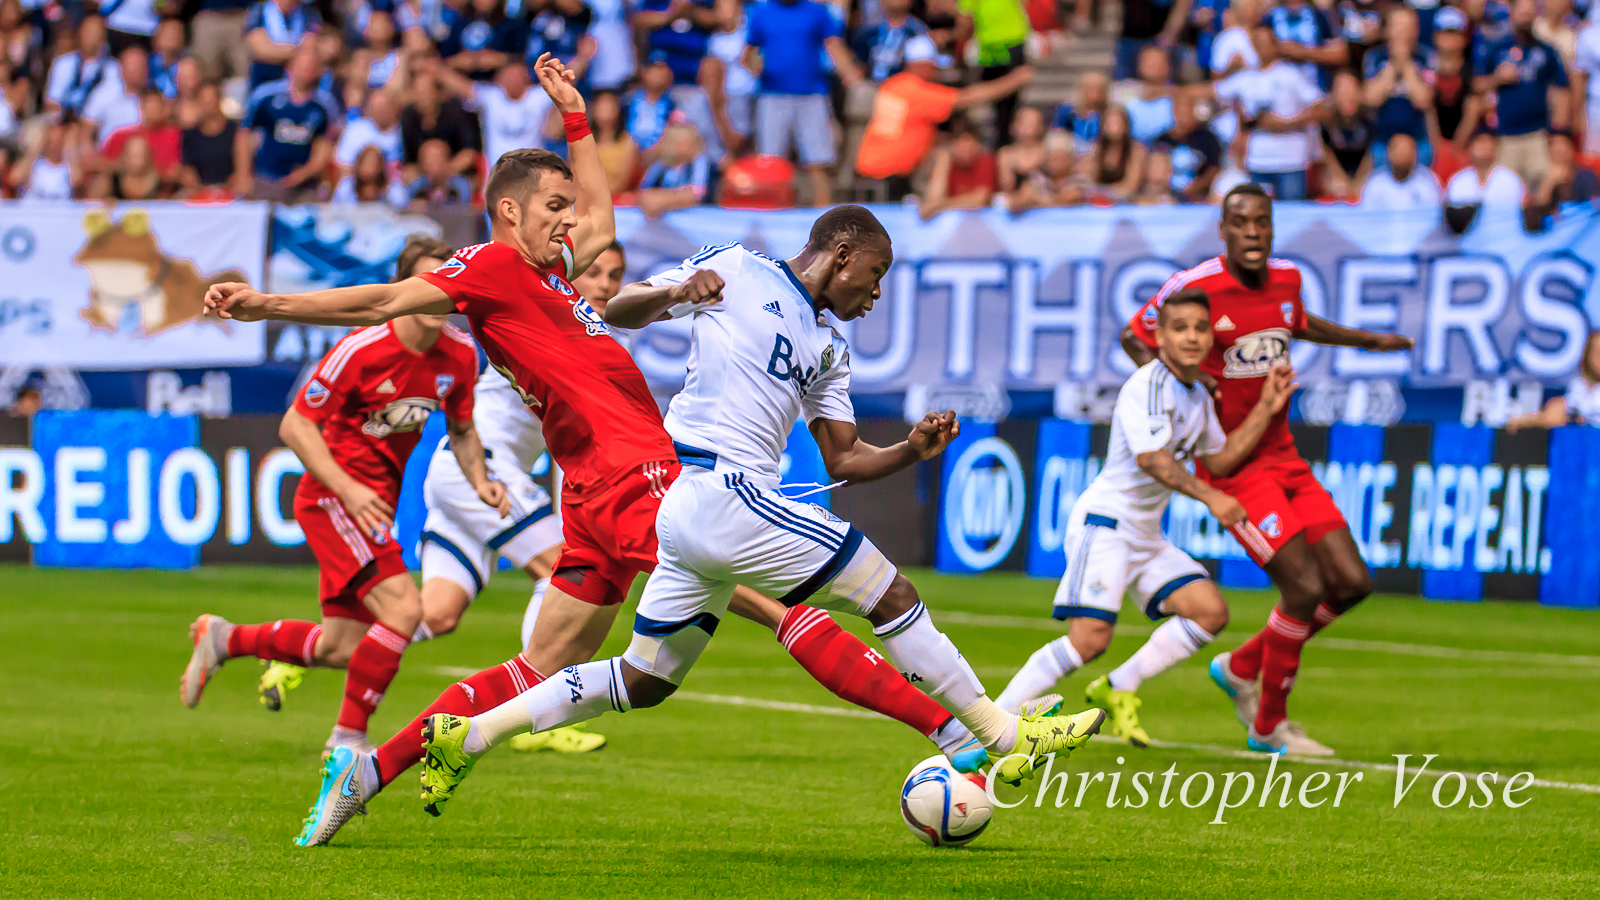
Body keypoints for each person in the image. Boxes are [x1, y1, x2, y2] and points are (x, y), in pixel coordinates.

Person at [207, 57, 988, 847]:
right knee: (776, 603)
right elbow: (383, 300)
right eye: (554, 208)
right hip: (633, 481)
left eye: (570, 210)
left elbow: (604, 220)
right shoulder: (491, 268)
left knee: (541, 669)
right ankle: (963, 737)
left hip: (594, 492)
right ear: (508, 212)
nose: (570, 223)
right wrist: (266, 303)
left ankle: (369, 771)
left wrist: (578, 122)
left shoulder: (560, 284)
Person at [414, 204, 1108, 816]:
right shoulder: (738, 268)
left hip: (699, 514)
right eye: (875, 271)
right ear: (841, 253)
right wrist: (679, 293)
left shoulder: (830, 348)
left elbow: (843, 461)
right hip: (715, 486)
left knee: (644, 678)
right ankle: (998, 733)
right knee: (887, 590)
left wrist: (911, 450)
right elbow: (612, 310)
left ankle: (471, 734)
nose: (875, 291)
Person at [1121, 184, 1413, 755]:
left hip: (1284, 456)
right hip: (1232, 466)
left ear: (1272, 228)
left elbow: (1298, 322)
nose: (1253, 232)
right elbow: (1135, 335)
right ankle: (1268, 728)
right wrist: (1178, 385)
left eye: (1263, 222)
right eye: (1241, 223)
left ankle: (1242, 666)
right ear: (1223, 230)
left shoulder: (1287, 280)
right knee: (1302, 587)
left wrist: (1368, 340)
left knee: (1352, 583)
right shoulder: (1196, 287)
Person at [181, 235, 493, 760]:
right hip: (333, 497)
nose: (440, 297)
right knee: (404, 608)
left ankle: (225, 639)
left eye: (447, 286)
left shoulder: (460, 355)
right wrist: (347, 486)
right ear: (404, 289)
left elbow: (462, 430)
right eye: (428, 284)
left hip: (374, 504)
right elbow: (295, 425)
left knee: (340, 647)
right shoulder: (362, 348)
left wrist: (482, 480)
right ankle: (347, 743)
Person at [998, 288, 1296, 746]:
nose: (1192, 338)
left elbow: (1219, 460)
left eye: (1200, 328)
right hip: (1107, 525)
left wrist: (1264, 409)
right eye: (1180, 329)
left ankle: (1119, 686)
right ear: (1159, 337)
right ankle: (993, 723)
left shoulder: (1195, 395)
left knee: (1208, 612)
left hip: (1145, 534)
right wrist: (1210, 500)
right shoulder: (1150, 384)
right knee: (1089, 640)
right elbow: (1152, 460)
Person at [854, 34, 1032, 192]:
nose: (936, 71)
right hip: (889, 174)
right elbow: (967, 98)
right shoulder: (916, 92)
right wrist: (1013, 81)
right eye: (933, 65)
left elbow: (905, 126)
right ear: (921, 64)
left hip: (870, 167)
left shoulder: (892, 85)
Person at [742, 0, 861, 206]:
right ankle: (773, 209)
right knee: (770, 160)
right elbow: (748, 52)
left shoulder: (816, 12)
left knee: (818, 159)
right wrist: (756, 66)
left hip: (812, 94)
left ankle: (823, 212)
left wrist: (851, 75)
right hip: (772, 95)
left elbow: (833, 45)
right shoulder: (761, 14)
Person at [1223, 24, 1325, 202]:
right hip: (1257, 160)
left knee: (1292, 217)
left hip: (1291, 160)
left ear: (1275, 44)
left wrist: (1286, 123)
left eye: (1265, 42)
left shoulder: (1291, 74)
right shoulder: (1245, 78)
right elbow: (1217, 92)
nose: (1261, 47)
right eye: (1257, 42)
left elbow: (1321, 108)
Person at [1474, 0, 1570, 186]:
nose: (1526, 17)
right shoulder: (1497, 48)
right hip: (1504, 137)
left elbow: (1561, 90)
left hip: (1538, 136)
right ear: (1512, 12)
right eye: (1522, 12)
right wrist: (1496, 78)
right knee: (1506, 191)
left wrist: (1558, 132)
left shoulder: (1547, 51)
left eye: (1530, 13)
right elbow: (1476, 85)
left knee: (1541, 189)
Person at [237, 47, 341, 201]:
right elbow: (244, 135)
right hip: (267, 180)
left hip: (304, 187)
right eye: (303, 66)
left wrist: (304, 173)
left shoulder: (325, 105)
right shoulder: (265, 97)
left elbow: (325, 147)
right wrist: (244, 175)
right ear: (291, 67)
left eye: (312, 67)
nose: (307, 72)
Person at [1362, 6, 1435, 172]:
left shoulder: (1426, 57)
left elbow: (1423, 100)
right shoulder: (1374, 57)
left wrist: (1407, 64)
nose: (1403, 33)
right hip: (1382, 143)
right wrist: (1394, 65)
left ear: (1416, 30)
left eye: (1408, 27)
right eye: (1398, 27)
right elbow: (1371, 99)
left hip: (1419, 143)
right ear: (1387, 30)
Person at [1507, 331, 1600, 430]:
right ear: (1587, 354)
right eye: (1598, 353)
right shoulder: (1573, 386)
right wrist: (1526, 421)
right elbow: (1553, 415)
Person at [919, 117, 998, 217]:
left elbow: (980, 199)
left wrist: (941, 206)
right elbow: (933, 199)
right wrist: (942, 163)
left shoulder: (985, 160)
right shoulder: (947, 161)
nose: (965, 148)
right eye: (960, 143)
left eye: (968, 142)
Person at [1153, 93, 1222, 202]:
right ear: (1174, 112)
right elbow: (1153, 170)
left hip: (1199, 196)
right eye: (1180, 110)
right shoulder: (1163, 140)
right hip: (1166, 196)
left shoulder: (1207, 139)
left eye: (1187, 110)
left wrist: (1197, 186)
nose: (1183, 115)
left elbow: (1214, 169)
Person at [180, 81, 243, 195]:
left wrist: (225, 190)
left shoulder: (236, 131)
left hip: (232, 191)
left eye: (211, 99)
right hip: (200, 193)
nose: (208, 104)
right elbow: (187, 171)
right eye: (204, 100)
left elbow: (242, 167)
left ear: (219, 100)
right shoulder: (190, 135)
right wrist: (203, 192)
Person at [245, 0, 323, 91]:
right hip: (265, 82)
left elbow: (313, 48)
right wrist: (299, 50)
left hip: (299, 88)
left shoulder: (309, 13)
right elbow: (260, 50)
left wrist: (276, 48)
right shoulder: (259, 11)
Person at [1446, 125, 1526, 210]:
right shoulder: (1458, 180)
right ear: (1470, 148)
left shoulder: (1511, 179)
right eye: (1479, 141)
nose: (1483, 146)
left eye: (1487, 141)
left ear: (1496, 148)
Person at [1359, 132, 1443, 208]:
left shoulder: (1428, 181)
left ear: (1415, 155)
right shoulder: (1375, 183)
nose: (1403, 154)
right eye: (1399, 150)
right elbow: (1367, 217)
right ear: (1389, 154)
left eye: (1407, 150)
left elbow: (1435, 216)